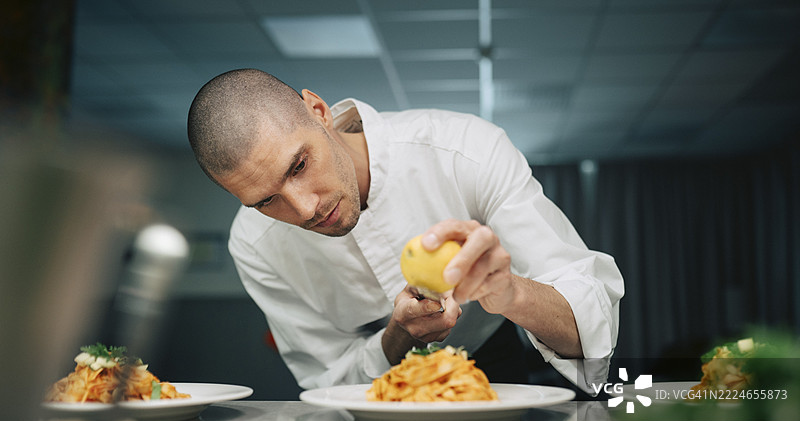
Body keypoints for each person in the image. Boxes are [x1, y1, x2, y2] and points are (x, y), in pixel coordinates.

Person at [187, 68, 624, 395]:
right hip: (376, 399)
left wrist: (509, 291)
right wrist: (398, 337)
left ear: (318, 112)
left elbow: (590, 311)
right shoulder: (253, 244)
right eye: (266, 201)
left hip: (494, 362)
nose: (304, 209)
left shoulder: (465, 149)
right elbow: (327, 382)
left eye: (299, 166)